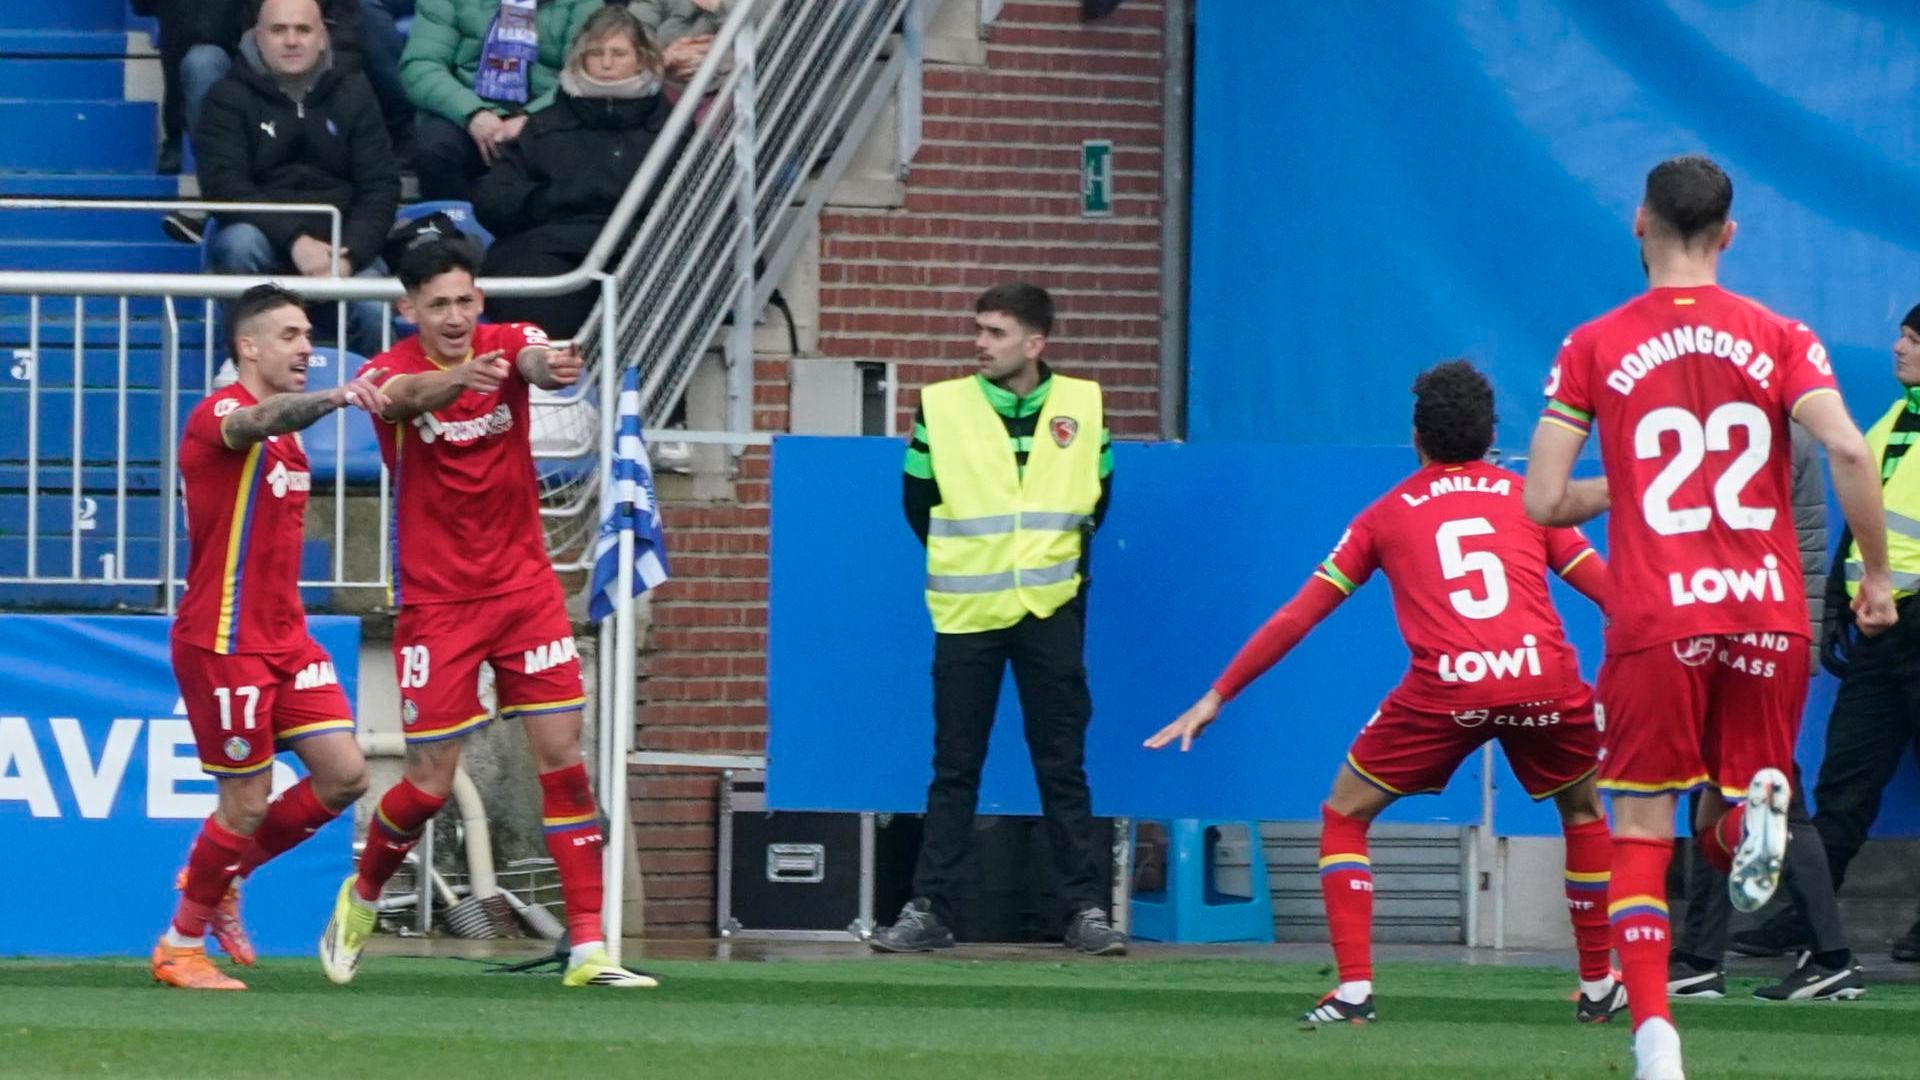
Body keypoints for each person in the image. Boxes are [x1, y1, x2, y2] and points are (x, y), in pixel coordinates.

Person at [1524, 154, 1896, 1080]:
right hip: (1771, 617)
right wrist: (1877, 576)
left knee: (1643, 828)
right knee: (1735, 803)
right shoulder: (1781, 336)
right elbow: (1848, 448)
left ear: (1637, 222)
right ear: (1729, 234)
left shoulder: (1593, 345)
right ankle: (1748, 821)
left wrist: (1633, 485)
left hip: (1657, 616)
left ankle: (1657, 1041)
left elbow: (1540, 501)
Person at [1149, 360, 1620, 1026]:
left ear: (1417, 438)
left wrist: (1218, 693)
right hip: (1542, 678)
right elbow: (1607, 590)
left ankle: (1355, 991)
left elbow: (1298, 615)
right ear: (1491, 437)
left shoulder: (1384, 516)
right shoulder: (1529, 500)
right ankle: (1600, 984)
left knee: (1345, 813)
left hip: (1449, 687)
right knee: (1581, 810)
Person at [318, 241, 654, 989]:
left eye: (466, 300)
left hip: (525, 592)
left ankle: (590, 947)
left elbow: (537, 362)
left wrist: (553, 369)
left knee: (563, 763)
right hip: (439, 606)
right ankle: (363, 895)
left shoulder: (508, 345)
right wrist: (455, 381)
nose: (457, 316)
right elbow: (404, 401)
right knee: (430, 783)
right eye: (438, 304)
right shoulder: (389, 372)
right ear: (408, 310)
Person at [868, 283, 1125, 957]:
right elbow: (917, 501)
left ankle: (1083, 909)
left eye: (995, 332)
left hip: (1049, 607)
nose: (979, 343)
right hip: (968, 611)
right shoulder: (942, 406)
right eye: (979, 329)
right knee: (954, 767)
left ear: (1034, 344)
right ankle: (931, 909)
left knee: (1062, 766)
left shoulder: (1084, 404)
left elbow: (1096, 499)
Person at [152, 284, 386, 990]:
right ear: (246, 346)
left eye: (308, 334)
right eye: (289, 335)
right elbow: (256, 419)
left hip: (287, 640)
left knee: (345, 775)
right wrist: (339, 398)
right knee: (246, 802)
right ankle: (179, 947)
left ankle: (220, 874)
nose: (306, 347)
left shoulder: (287, 438)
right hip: (225, 641)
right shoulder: (220, 414)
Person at [1730, 304, 1920, 968]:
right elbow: (1866, 512)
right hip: (1882, 627)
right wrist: (1844, 602)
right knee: (1844, 777)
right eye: (1900, 334)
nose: (1898, 348)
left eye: (1913, 340)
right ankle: (1807, 916)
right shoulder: (1892, 421)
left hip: (1912, 620)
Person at [1670, 428, 1862, 1003]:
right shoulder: (1785, 431)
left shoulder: (1757, 432)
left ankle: (1830, 958)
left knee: (1765, 789)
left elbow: (1797, 539)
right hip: (1746, 624)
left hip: (1737, 624)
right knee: (1732, 783)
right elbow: (1804, 538)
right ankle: (1701, 955)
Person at [196, 0, 400, 360]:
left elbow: (380, 187)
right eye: (279, 30)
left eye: (303, 30)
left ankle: (384, 410)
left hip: (343, 249)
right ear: (257, 37)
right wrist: (295, 240)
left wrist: (348, 257)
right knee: (240, 244)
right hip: (266, 243)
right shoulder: (226, 97)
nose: (291, 40)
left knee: (373, 309)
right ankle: (242, 391)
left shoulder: (355, 92)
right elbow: (225, 189)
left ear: (323, 37)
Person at [474, 4, 674, 336]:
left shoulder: (671, 126)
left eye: (618, 53)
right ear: (581, 58)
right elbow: (493, 201)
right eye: (596, 53)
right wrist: (546, 200)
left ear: (641, 58)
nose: (607, 63)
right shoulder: (543, 126)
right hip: (551, 247)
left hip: (642, 248)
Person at [401, 0, 602, 202]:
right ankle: (449, 227)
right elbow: (420, 66)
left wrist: (531, 118)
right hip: (467, 112)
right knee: (435, 147)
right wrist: (473, 113)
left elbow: (585, 73)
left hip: (546, 117)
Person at [630, 0, 729, 84]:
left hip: (728, 76)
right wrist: (661, 58)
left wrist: (719, 8)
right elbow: (635, 25)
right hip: (661, 80)